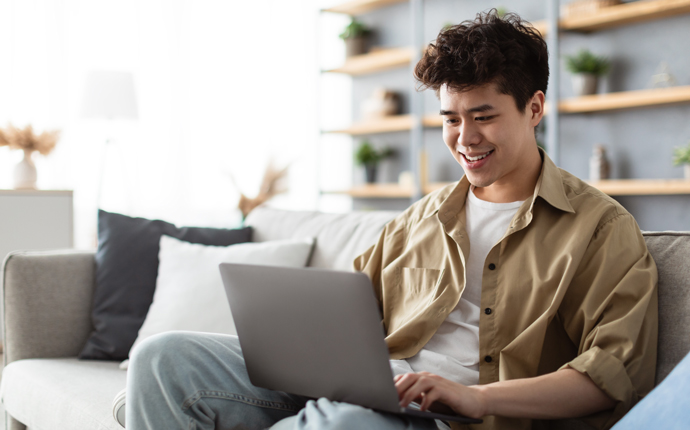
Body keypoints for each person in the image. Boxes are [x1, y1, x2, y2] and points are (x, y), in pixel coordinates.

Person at [125, 10, 657, 430]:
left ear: (535, 108)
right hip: (374, 390)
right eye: (451, 119)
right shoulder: (419, 220)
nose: (465, 139)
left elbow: (608, 377)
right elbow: (348, 324)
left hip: (455, 417)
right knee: (164, 357)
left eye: (484, 117)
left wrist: (473, 397)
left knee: (345, 423)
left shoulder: (600, 229)